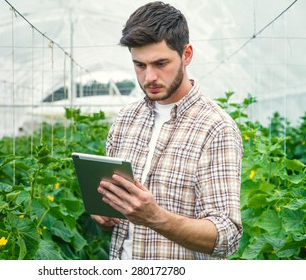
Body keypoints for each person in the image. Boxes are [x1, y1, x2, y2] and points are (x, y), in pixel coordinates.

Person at [91, 1, 243, 260]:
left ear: (186, 54)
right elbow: (113, 211)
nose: (149, 76)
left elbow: (226, 236)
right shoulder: (125, 120)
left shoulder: (215, 127)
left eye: (161, 63)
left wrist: (155, 217)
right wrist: (105, 215)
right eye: (139, 65)